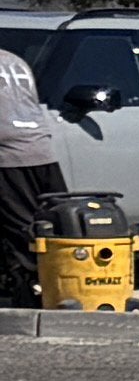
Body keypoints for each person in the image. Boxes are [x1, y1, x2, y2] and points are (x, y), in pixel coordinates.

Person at [0, 31, 61, 303]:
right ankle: (56, 280)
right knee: (52, 223)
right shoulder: (15, 61)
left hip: (7, 156)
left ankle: (27, 292)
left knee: (20, 230)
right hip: (41, 149)